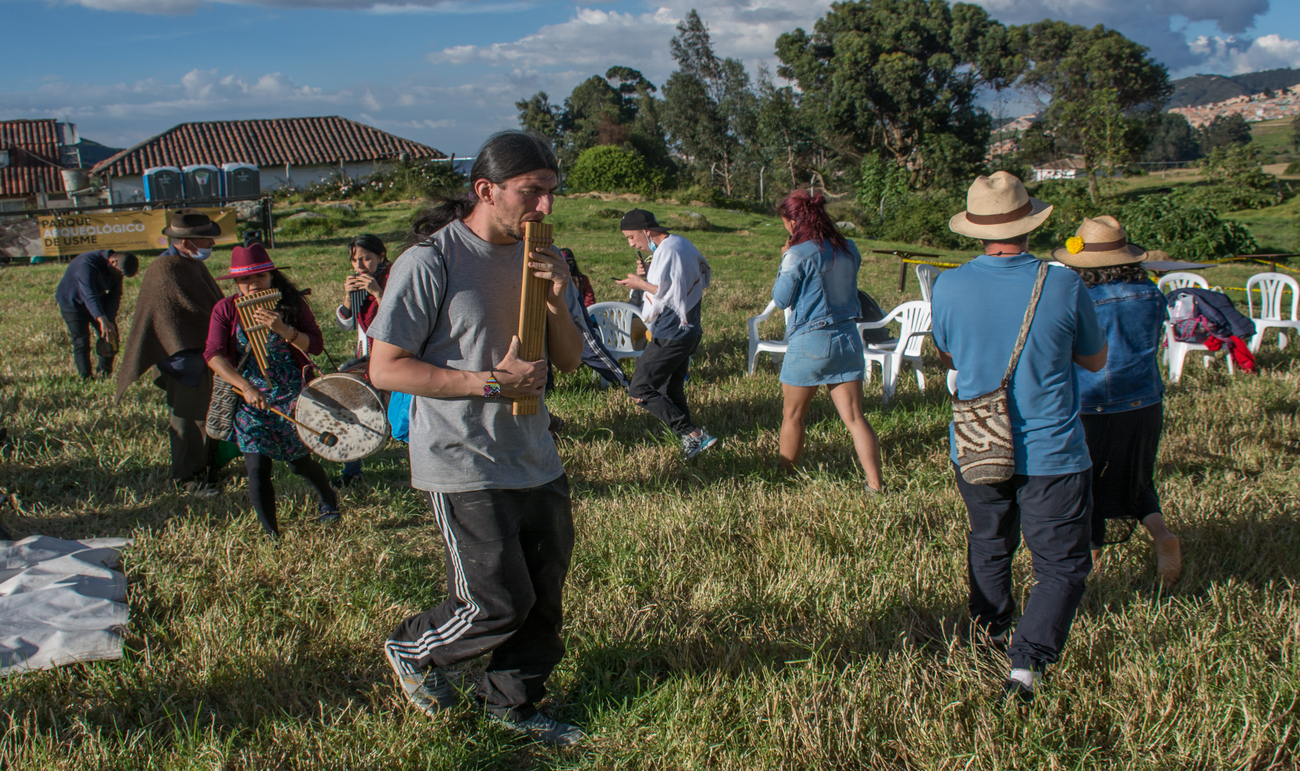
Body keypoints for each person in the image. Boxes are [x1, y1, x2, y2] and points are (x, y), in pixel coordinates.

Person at [368, 130, 586, 746]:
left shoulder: (540, 256)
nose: (545, 208)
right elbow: (386, 367)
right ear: (486, 190)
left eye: (552, 193)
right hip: (462, 456)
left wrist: (559, 298)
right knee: (495, 601)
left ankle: (512, 708)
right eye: (532, 193)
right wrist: (490, 384)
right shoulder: (431, 261)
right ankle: (411, 648)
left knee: (543, 597)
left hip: (533, 453)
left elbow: (566, 362)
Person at [930, 171, 1108, 703]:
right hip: (1052, 446)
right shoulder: (1063, 282)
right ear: (1030, 224)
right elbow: (1094, 360)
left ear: (975, 230)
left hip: (977, 440)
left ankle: (989, 637)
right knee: (1061, 564)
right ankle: (1026, 666)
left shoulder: (948, 284)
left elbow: (949, 355)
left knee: (989, 544)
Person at [1052, 216, 1181, 584]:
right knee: (1138, 478)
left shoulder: (1082, 298)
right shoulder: (1153, 293)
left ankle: (1089, 559)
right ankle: (1162, 535)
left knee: (1085, 479)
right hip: (1144, 402)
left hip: (1091, 403)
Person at [204, 244, 340, 539]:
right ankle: (271, 533)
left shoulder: (291, 306)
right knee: (257, 466)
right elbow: (213, 355)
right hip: (249, 398)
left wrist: (283, 329)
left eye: (260, 278)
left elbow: (315, 345)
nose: (252, 287)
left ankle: (328, 498)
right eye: (244, 281)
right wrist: (245, 386)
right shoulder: (226, 309)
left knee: (298, 462)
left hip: (291, 394)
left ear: (271, 278)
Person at [769, 191, 885, 492]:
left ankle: (784, 476)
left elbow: (782, 300)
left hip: (810, 339)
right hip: (847, 336)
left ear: (792, 220)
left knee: (793, 415)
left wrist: (785, 259)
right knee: (856, 417)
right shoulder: (849, 249)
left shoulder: (797, 254)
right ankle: (875, 484)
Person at [116, 210, 226, 496]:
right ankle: (188, 478)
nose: (212, 244)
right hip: (181, 359)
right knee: (188, 420)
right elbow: (170, 318)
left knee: (212, 416)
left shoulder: (190, 264)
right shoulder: (164, 269)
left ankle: (209, 469)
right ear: (186, 242)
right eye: (206, 239)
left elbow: (210, 305)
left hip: (205, 354)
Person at [615, 209, 717, 459]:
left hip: (672, 333)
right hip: (687, 331)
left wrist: (641, 285)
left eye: (631, 237)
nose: (631, 244)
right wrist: (646, 275)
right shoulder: (680, 244)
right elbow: (682, 281)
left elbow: (672, 294)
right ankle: (693, 443)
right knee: (671, 389)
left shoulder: (670, 250)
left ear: (646, 231)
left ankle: (693, 434)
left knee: (640, 390)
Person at [333, 234, 391, 485]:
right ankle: (352, 470)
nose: (360, 266)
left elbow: (400, 316)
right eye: (356, 260)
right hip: (366, 355)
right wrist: (348, 298)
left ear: (381, 256)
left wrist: (378, 293)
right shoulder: (357, 285)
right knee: (348, 402)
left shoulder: (393, 277)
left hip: (393, 354)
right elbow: (345, 324)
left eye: (367, 259)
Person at [55, 249, 139, 380]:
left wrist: (110, 320)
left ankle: (104, 373)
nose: (118, 276)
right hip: (73, 303)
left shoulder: (117, 269)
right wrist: (102, 320)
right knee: (81, 341)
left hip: (98, 300)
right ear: (113, 261)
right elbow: (89, 295)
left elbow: (115, 295)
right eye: (119, 273)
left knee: (110, 336)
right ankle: (86, 377)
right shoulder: (86, 264)